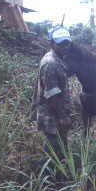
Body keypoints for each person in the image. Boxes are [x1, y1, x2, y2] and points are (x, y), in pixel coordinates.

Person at [33, 26, 72, 158]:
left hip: (57, 114)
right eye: (61, 43)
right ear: (52, 43)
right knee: (52, 153)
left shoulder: (59, 59)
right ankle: (48, 177)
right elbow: (52, 94)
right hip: (52, 116)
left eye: (67, 43)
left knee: (61, 151)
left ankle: (61, 176)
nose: (65, 46)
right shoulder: (50, 63)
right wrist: (62, 117)